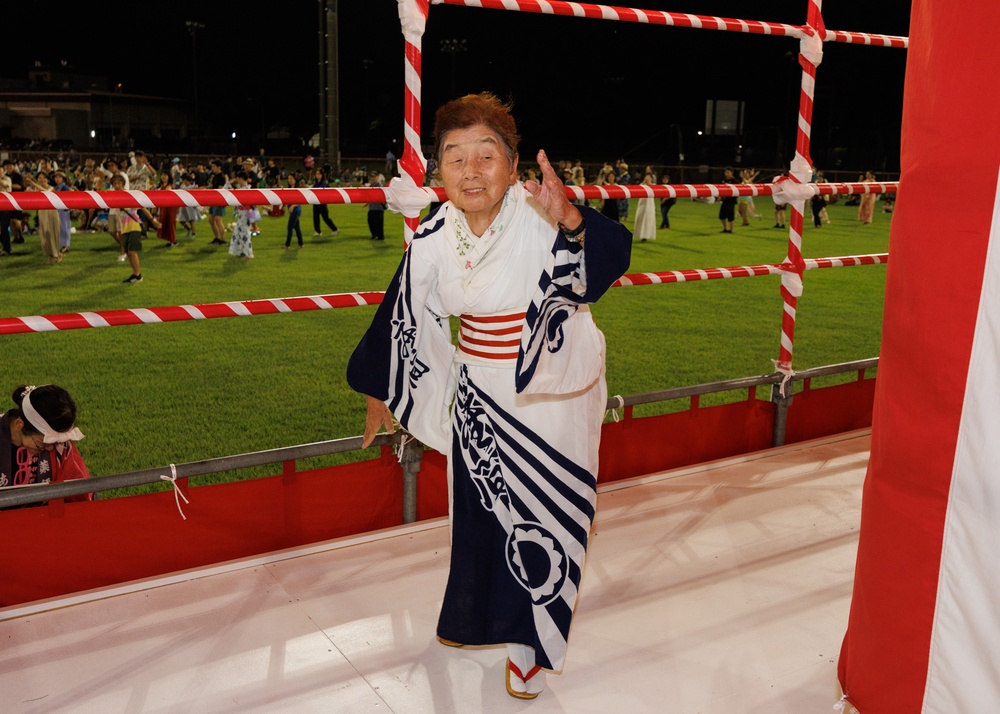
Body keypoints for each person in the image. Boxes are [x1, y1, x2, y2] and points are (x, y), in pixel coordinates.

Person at [347, 92, 632, 701]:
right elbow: (403, 311)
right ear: (437, 169)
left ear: (512, 163)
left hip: (549, 390)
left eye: (486, 156)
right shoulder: (432, 234)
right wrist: (381, 387)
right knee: (486, 521)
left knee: (548, 520)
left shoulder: (541, 215)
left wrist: (574, 221)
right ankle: (488, 623)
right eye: (454, 158)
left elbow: (603, 267)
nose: (470, 171)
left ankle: (533, 647)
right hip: (477, 390)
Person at [1, 384, 91, 507]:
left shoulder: (61, 447)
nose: (50, 449)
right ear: (19, 425)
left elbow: (80, 495)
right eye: (42, 444)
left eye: (55, 443)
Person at [24, 171, 62, 265]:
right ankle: (51, 255)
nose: (41, 180)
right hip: (42, 212)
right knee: (45, 233)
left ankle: (57, 254)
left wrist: (34, 184)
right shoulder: (37, 189)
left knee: (52, 233)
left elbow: (46, 193)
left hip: (51, 212)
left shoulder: (51, 188)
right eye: (39, 178)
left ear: (46, 179)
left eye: (42, 178)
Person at [228, 171, 254, 259]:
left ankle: (247, 253)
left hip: (246, 213)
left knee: (245, 233)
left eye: (238, 179)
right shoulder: (243, 189)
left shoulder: (246, 190)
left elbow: (250, 204)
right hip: (242, 213)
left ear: (241, 179)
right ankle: (240, 252)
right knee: (238, 233)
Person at [310, 167, 340, 236]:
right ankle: (318, 231)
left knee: (325, 218)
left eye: (319, 174)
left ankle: (335, 229)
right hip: (316, 203)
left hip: (322, 203)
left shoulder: (323, 182)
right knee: (315, 218)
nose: (317, 175)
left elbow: (320, 190)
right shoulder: (316, 183)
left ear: (322, 175)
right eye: (316, 174)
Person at [207, 159, 229, 245]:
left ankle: (223, 240)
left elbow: (220, 189)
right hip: (213, 200)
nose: (212, 168)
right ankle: (216, 238)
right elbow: (213, 186)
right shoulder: (215, 176)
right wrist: (205, 188)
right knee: (211, 220)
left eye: (214, 166)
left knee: (218, 220)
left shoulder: (222, 177)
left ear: (219, 167)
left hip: (219, 200)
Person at [155, 171, 179, 246]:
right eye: (162, 175)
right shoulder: (161, 186)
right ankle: (170, 240)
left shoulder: (169, 186)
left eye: (165, 175)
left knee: (170, 222)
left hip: (170, 208)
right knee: (165, 222)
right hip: (163, 207)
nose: (164, 177)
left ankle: (173, 240)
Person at [633, 166, 657, 241]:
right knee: (640, 218)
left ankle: (646, 236)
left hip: (649, 204)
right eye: (646, 177)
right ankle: (640, 234)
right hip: (642, 204)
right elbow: (637, 191)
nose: (647, 178)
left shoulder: (654, 186)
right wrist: (644, 182)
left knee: (648, 219)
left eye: (649, 177)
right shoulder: (642, 185)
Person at [283, 172, 304, 248]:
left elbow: (301, 200)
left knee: (290, 227)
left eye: (291, 178)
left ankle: (287, 244)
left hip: (296, 210)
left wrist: (293, 206)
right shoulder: (289, 189)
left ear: (295, 180)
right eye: (288, 178)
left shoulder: (297, 189)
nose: (289, 180)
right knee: (297, 228)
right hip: (292, 210)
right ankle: (301, 243)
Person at [366, 170, 386, 241]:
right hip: (372, 208)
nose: (373, 178)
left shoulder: (380, 186)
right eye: (372, 177)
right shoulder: (371, 186)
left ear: (377, 177)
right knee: (371, 222)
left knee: (378, 223)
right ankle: (374, 235)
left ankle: (380, 236)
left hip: (378, 208)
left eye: (374, 177)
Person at [719, 167, 738, 233]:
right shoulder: (724, 180)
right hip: (724, 200)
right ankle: (725, 228)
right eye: (726, 172)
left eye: (728, 172)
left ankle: (732, 230)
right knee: (722, 215)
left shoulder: (735, 181)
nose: (727, 174)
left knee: (730, 215)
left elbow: (738, 191)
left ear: (731, 173)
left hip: (731, 200)